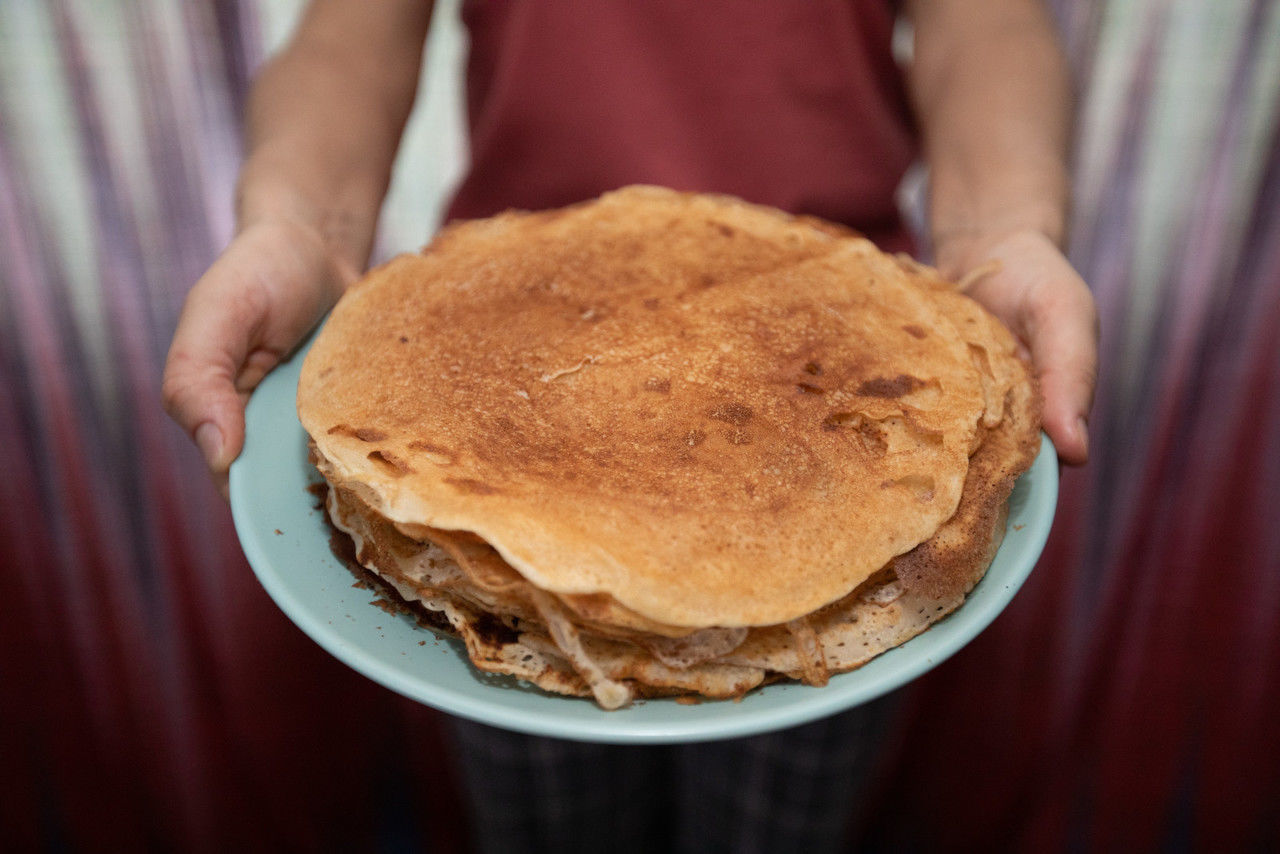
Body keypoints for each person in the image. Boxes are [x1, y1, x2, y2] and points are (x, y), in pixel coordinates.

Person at [163, 1, 1097, 851]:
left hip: (856, 411)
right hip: (482, 389)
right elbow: (353, 32)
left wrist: (997, 236)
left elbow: (985, 24)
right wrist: (299, 225)